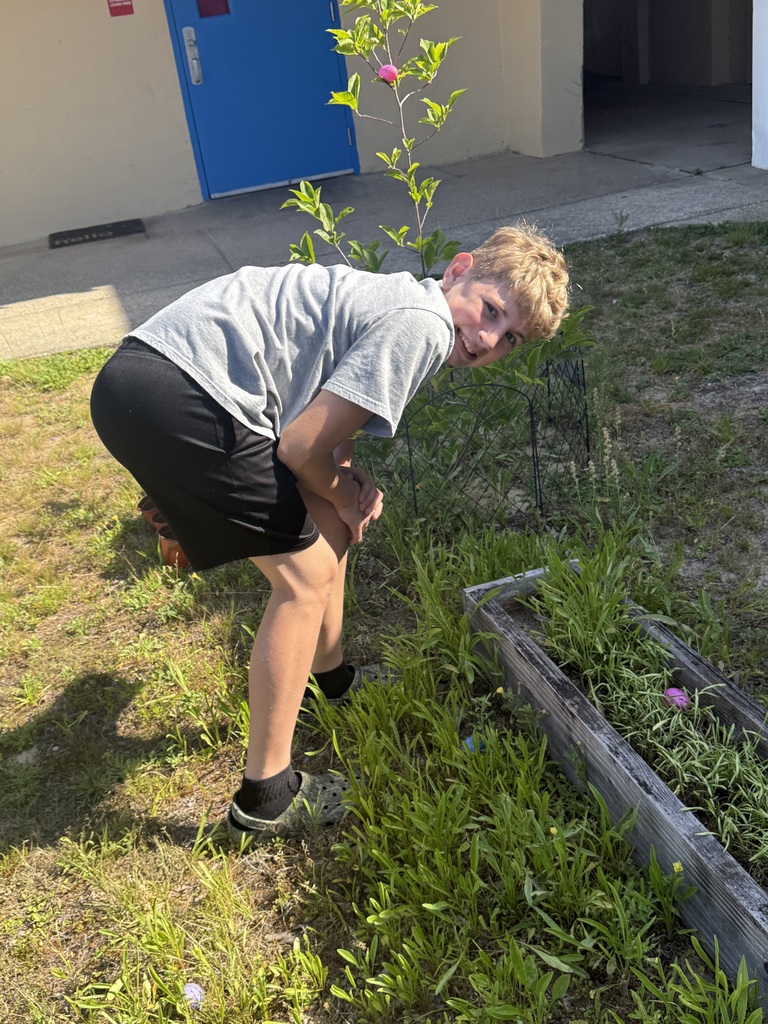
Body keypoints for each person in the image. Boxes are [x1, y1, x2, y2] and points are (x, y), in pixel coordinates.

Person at [90, 223, 569, 845]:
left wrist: (343, 483)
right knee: (305, 579)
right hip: (188, 396)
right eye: (491, 310)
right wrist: (343, 488)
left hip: (143, 380)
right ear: (457, 271)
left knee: (326, 533)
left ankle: (332, 678)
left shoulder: (397, 300)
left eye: (510, 338)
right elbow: (298, 446)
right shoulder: (421, 325)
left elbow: (317, 415)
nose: (488, 339)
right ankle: (267, 795)